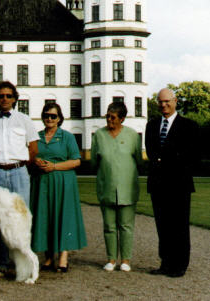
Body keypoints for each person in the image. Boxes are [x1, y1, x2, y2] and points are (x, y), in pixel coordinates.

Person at [0, 81, 38, 277]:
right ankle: (0, 262)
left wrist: (20, 167)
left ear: (15, 98)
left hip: (18, 172)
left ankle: (22, 261)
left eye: (8, 96)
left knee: (20, 218)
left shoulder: (24, 120)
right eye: (1, 96)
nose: (5, 99)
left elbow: (33, 149)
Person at [145, 88, 200, 278]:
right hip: (158, 184)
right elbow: (152, 153)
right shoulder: (151, 125)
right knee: (163, 226)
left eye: (167, 101)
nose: (163, 105)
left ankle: (180, 265)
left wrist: (164, 161)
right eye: (160, 102)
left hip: (179, 185)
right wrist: (163, 160)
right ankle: (166, 263)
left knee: (179, 226)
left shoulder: (188, 126)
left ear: (175, 101)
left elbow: (190, 156)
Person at [30, 103, 86, 272]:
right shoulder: (36, 136)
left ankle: (63, 257)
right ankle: (48, 257)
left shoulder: (67, 137)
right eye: (46, 115)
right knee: (44, 217)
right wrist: (35, 161)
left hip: (62, 181)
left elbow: (76, 160)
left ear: (60, 118)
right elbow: (30, 157)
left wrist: (54, 166)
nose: (49, 118)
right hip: (42, 182)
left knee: (63, 216)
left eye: (53, 116)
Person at [91, 102, 143, 272]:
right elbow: (94, 162)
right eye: (107, 116)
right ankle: (111, 259)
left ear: (122, 118)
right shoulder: (98, 135)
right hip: (106, 187)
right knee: (109, 226)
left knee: (126, 226)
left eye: (113, 117)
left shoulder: (133, 135)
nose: (109, 120)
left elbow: (138, 160)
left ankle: (126, 260)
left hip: (127, 189)